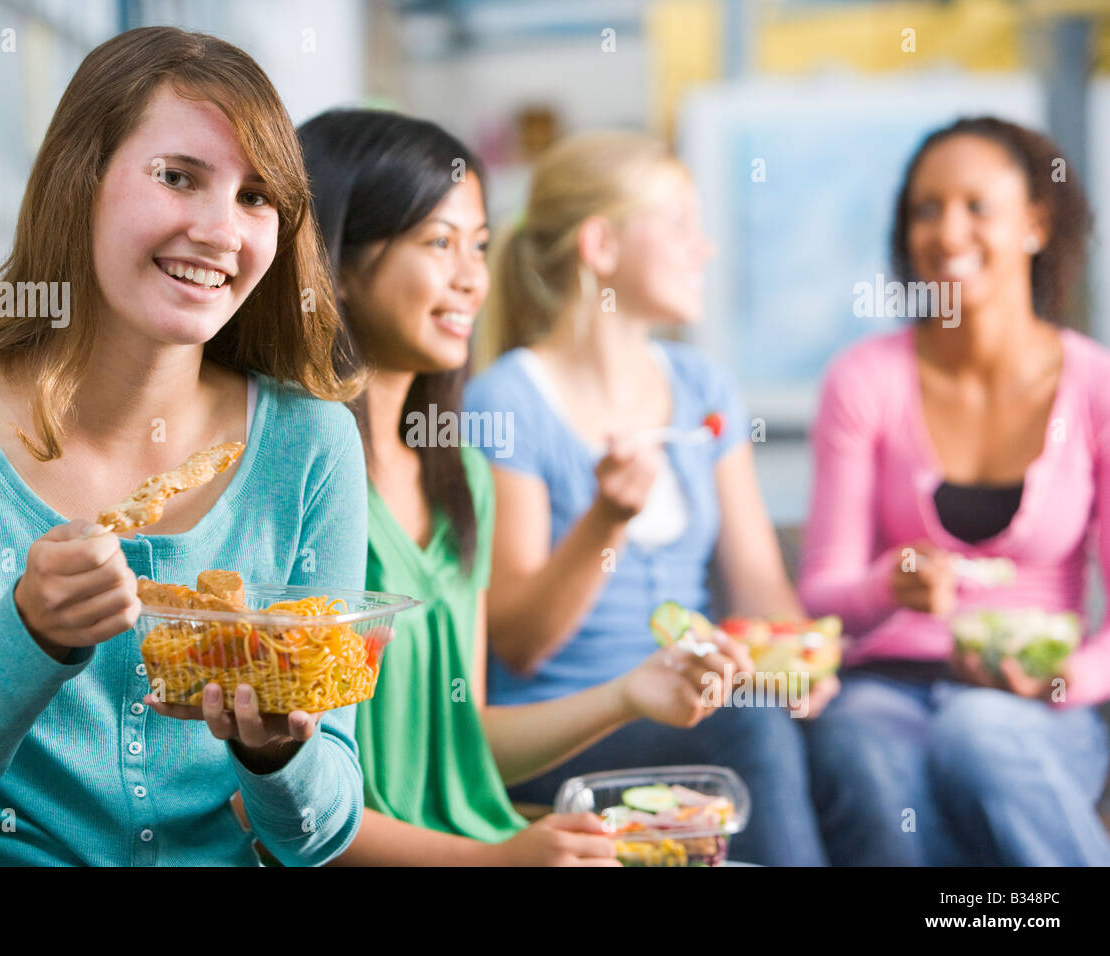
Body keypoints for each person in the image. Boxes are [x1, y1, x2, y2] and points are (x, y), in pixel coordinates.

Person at [0, 27, 368, 867]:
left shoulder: (312, 443)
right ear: (80, 181)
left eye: (257, 197)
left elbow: (321, 838)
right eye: (178, 177)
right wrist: (28, 638)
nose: (223, 231)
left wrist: (277, 752)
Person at [296, 109, 751, 866]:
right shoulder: (292, 466)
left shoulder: (455, 472)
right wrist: (495, 863)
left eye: (477, 245)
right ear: (337, 262)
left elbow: (459, 745)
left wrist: (631, 694)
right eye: (438, 244)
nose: (472, 278)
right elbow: (271, 797)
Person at [462, 131, 834, 866]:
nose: (706, 248)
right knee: (748, 731)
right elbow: (523, 643)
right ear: (601, 245)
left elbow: (761, 588)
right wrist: (609, 519)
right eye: (679, 224)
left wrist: (804, 664)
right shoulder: (506, 401)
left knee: (852, 732)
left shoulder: (703, 389)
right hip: (572, 731)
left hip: (696, 710)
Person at [800, 116, 1110, 866]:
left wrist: (1063, 680)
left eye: (978, 206)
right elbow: (820, 594)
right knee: (867, 751)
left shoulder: (1095, 386)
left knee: (980, 731)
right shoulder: (863, 379)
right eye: (926, 209)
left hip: (1035, 702)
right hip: (886, 686)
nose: (947, 231)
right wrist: (888, 584)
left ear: (1037, 222)